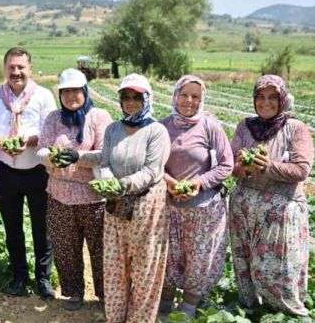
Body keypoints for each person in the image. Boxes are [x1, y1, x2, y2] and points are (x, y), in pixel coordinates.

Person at [77, 73, 171, 322]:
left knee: (145, 268)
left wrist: (122, 185)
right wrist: (109, 183)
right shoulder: (113, 129)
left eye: (137, 97)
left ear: (147, 99)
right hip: (116, 205)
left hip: (146, 205)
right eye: (126, 97)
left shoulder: (156, 131)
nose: (131, 102)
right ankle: (116, 317)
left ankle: (139, 319)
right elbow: (106, 161)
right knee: (115, 266)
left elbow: (152, 171)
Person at [228, 75, 313, 316]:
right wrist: (243, 167)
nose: (266, 103)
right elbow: (232, 164)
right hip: (244, 213)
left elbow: (301, 169)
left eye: (273, 97)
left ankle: (284, 315)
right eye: (261, 97)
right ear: (254, 99)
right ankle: (252, 312)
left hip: (281, 214)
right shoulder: (245, 126)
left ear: (283, 99)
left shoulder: (295, 128)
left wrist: (268, 166)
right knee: (247, 266)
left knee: (280, 270)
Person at [0, 47, 57, 299]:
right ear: (5, 69)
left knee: (41, 226)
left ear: (30, 69)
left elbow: (50, 133)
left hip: (37, 171)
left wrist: (30, 140)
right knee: (12, 227)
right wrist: (0, 142)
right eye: (12, 67)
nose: (16, 72)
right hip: (6, 171)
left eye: (21, 67)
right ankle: (19, 275)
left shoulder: (44, 96)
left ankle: (43, 278)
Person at [158, 75, 234, 317]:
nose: (189, 101)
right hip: (169, 207)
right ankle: (164, 301)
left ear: (201, 100)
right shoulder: (162, 127)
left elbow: (226, 165)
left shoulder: (210, 126)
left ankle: (189, 306)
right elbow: (152, 163)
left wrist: (198, 183)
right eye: (184, 95)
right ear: (175, 95)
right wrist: (168, 180)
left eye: (195, 97)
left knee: (199, 259)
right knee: (168, 256)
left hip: (204, 209)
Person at [37, 69, 111, 310]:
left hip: (93, 197)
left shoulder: (99, 117)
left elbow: (104, 154)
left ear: (85, 91)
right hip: (59, 196)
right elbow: (41, 150)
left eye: (75, 90)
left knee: (100, 249)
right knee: (66, 247)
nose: (70, 96)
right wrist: (52, 158)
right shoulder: (53, 118)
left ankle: (105, 295)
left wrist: (77, 157)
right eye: (65, 91)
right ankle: (74, 292)